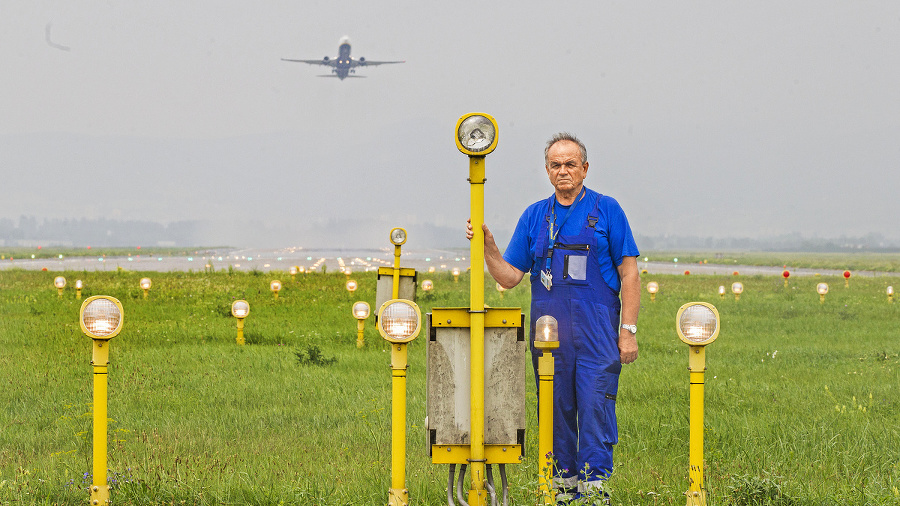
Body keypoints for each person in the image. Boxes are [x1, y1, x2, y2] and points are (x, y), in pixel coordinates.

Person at [466, 132, 639, 500]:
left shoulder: (607, 210)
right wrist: (488, 248)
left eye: (570, 164)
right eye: (556, 165)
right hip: (549, 337)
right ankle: (561, 489)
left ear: (585, 169)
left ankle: (594, 490)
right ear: (547, 171)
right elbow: (510, 277)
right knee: (555, 409)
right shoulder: (534, 217)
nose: (563, 171)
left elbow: (630, 274)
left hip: (597, 336)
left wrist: (628, 331)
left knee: (594, 406)